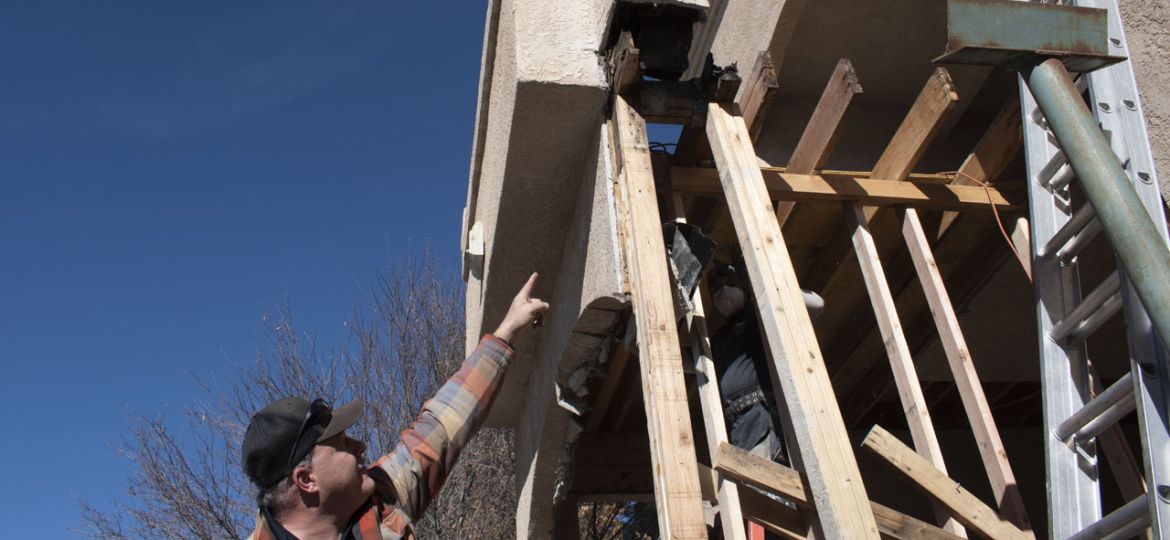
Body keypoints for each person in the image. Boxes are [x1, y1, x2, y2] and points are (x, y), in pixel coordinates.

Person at [242, 273, 549, 540]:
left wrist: (506, 332)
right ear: (306, 480)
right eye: (342, 444)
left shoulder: (382, 498)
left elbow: (441, 426)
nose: (361, 445)